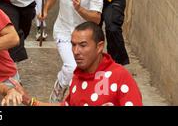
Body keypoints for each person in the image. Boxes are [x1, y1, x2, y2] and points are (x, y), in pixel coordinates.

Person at [8, 22, 143, 106]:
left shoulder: (120, 77)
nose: (76, 51)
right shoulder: (77, 77)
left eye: (83, 45)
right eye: (73, 45)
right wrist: (30, 101)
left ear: (100, 46)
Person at [38, 0, 103, 103]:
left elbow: (96, 19)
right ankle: (59, 88)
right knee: (70, 67)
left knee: (84, 70)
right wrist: (46, 10)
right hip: (63, 32)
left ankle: (80, 99)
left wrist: (79, 8)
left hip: (85, 36)